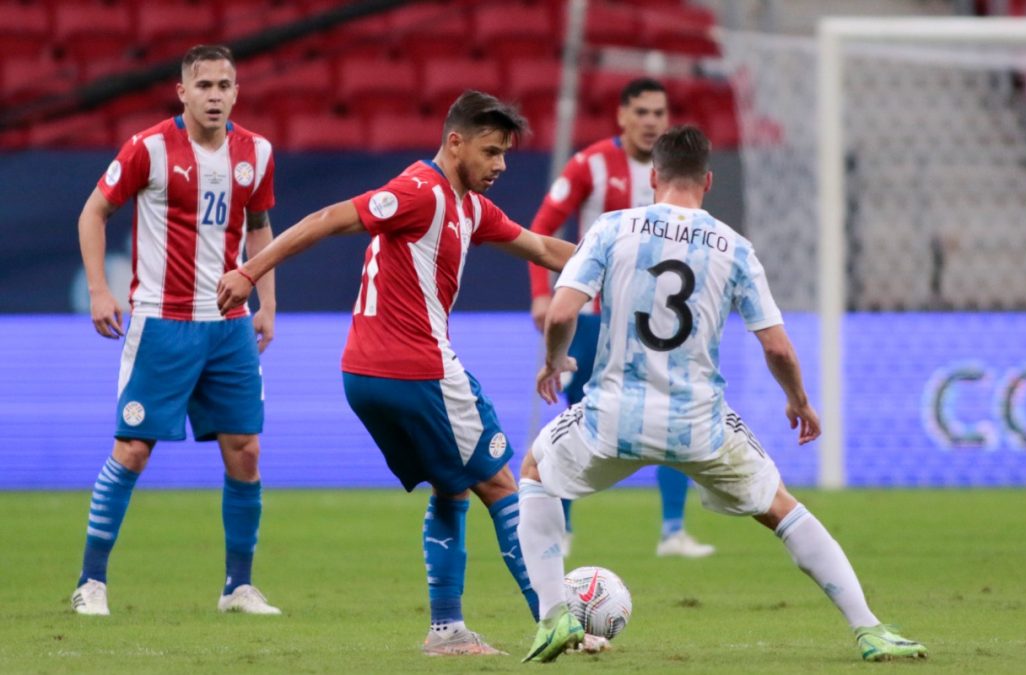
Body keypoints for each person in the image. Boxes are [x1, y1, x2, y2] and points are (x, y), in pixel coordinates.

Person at [516, 125, 928, 663]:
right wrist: (798, 401)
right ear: (707, 181)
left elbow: (564, 311)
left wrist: (554, 361)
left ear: (654, 176)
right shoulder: (735, 248)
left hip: (611, 418)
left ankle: (553, 618)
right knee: (782, 509)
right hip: (700, 426)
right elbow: (777, 347)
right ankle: (870, 629)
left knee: (534, 473)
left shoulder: (612, 228)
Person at [216, 91, 600, 656]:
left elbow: (542, 247)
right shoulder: (420, 191)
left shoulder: (471, 207)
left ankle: (447, 631)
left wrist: (614, 258)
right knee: (502, 483)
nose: (499, 166)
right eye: (490, 152)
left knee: (453, 484)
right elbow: (328, 218)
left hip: (364, 376)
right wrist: (249, 271)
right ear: (455, 142)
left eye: (505, 155)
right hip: (417, 368)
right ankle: (556, 621)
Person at [71, 44, 280, 616]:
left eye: (224, 85)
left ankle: (238, 587)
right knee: (133, 449)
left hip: (230, 328)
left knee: (246, 451)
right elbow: (92, 212)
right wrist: (98, 289)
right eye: (204, 85)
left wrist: (266, 301)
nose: (215, 95)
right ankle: (91, 582)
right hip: (162, 322)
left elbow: (259, 230)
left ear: (236, 92)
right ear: (182, 92)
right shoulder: (148, 149)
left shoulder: (256, 152)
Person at [528, 78, 713, 558]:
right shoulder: (591, 164)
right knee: (579, 411)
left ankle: (673, 531)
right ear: (622, 117)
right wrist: (541, 296)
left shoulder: (672, 172)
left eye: (659, 113)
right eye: (643, 112)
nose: (652, 121)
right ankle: (562, 530)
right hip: (593, 317)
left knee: (673, 409)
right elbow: (542, 229)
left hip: (659, 319)